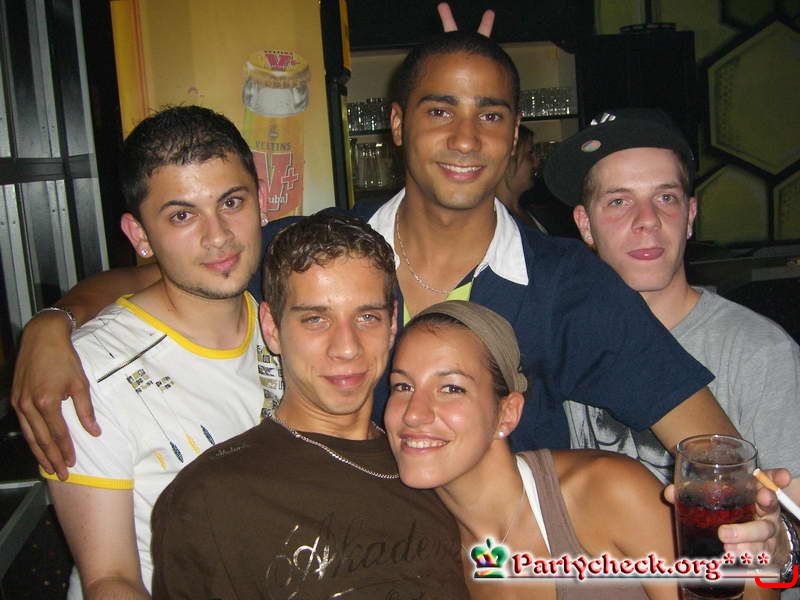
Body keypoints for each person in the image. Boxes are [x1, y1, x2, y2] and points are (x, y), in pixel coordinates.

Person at [8, 26, 788, 554]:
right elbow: (168, 271)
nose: (465, 138)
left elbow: (710, 446)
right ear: (397, 123)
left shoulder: (565, 285)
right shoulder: (318, 252)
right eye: (439, 109)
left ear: (514, 134)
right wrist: (52, 323)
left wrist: (757, 525)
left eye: (490, 115)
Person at [149, 212, 468, 598]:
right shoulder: (214, 497)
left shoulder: (437, 464)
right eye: (316, 319)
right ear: (272, 327)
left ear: (391, 324)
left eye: (367, 317)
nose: (346, 348)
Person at [385, 299, 785, 599]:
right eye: (402, 386)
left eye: (451, 388)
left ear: (507, 413)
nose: (414, 413)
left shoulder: (603, 491)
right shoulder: (422, 544)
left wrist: (761, 558)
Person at [40, 105, 278, 599]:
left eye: (232, 202)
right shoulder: (90, 373)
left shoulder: (291, 327)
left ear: (261, 201)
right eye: (182, 215)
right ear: (140, 236)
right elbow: (110, 580)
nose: (218, 236)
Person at [543, 108, 800, 489]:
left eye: (665, 197)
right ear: (585, 224)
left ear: (690, 215)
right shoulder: (560, 341)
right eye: (618, 201)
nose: (648, 219)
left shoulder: (760, 352)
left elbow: (791, 509)